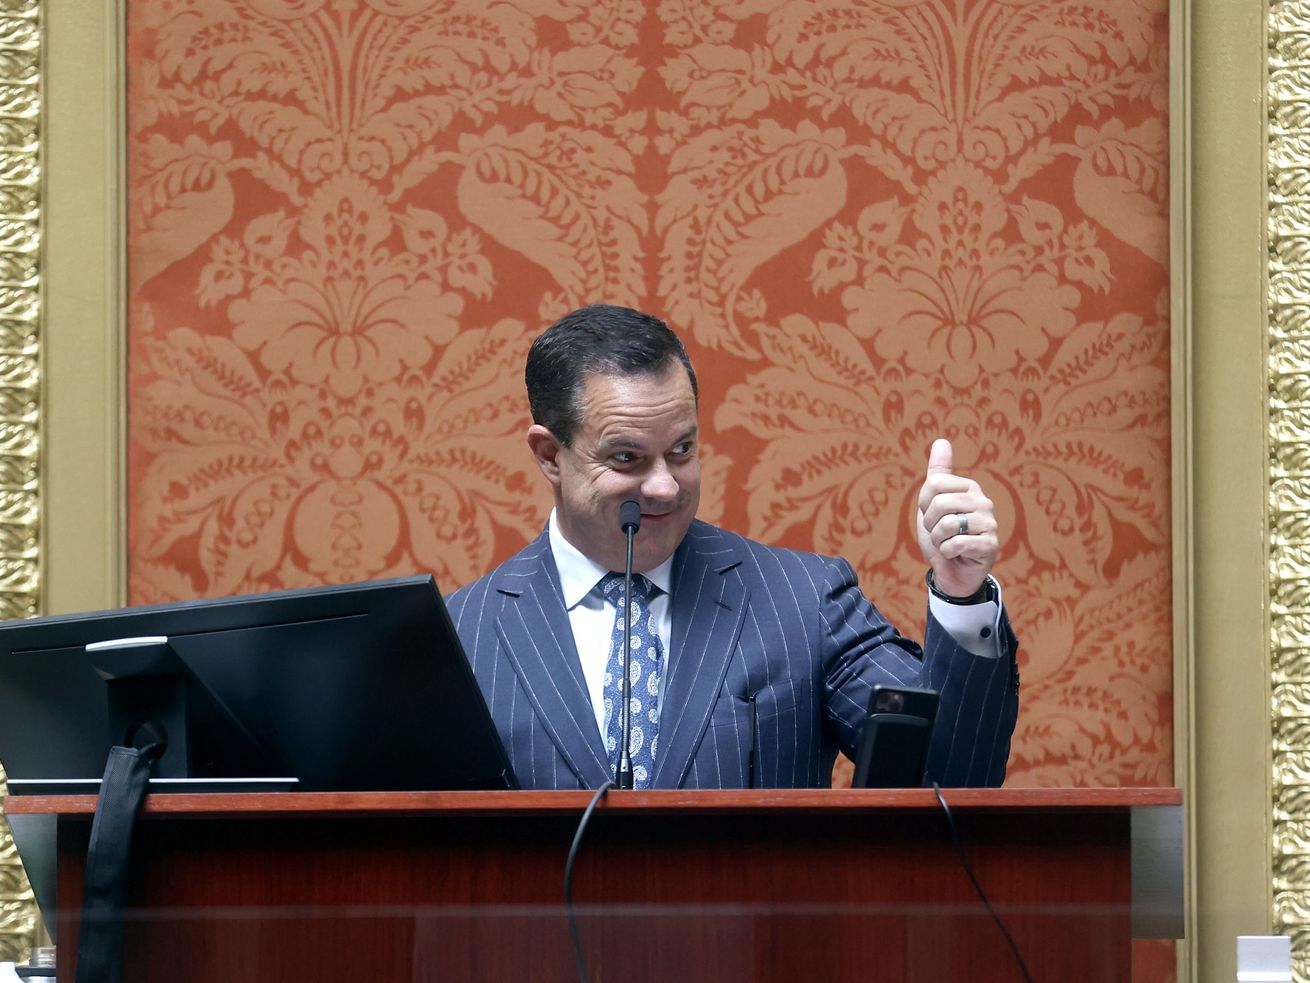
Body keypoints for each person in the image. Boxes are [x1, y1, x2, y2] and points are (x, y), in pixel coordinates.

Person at [446, 304, 1019, 789]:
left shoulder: (804, 602)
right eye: (627, 458)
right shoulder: (461, 635)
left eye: (682, 450)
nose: (666, 487)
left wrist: (961, 595)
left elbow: (948, 775)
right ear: (550, 455)